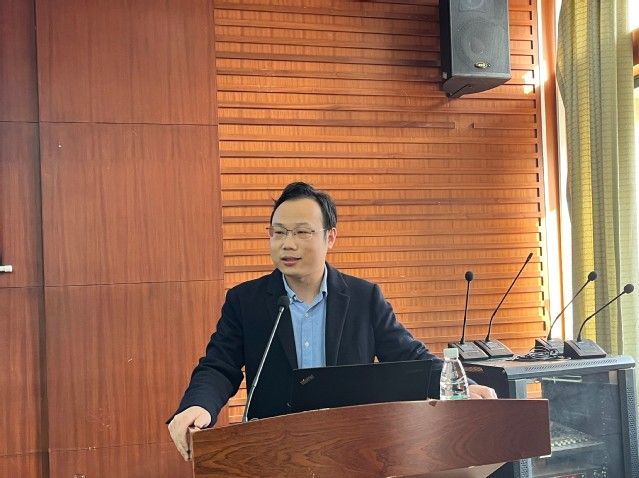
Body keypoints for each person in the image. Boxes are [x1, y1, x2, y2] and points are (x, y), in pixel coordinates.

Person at [168, 182, 496, 460]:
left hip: (352, 450)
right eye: (278, 232)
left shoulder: (364, 298)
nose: (287, 244)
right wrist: (198, 406)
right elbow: (218, 366)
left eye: (302, 232)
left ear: (330, 237)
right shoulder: (246, 301)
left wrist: (462, 386)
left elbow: (410, 357)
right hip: (275, 453)